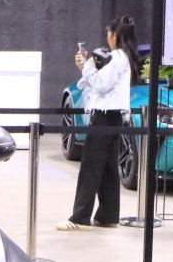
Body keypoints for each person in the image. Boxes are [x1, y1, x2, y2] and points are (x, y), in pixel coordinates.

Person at [59, 15, 139, 231]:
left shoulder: (117, 57)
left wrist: (87, 67)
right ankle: (108, 215)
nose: (107, 37)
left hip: (104, 116)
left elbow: (101, 84)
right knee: (107, 168)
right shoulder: (123, 57)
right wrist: (86, 68)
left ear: (115, 35)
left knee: (90, 167)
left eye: (109, 33)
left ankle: (80, 218)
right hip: (113, 117)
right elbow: (97, 82)